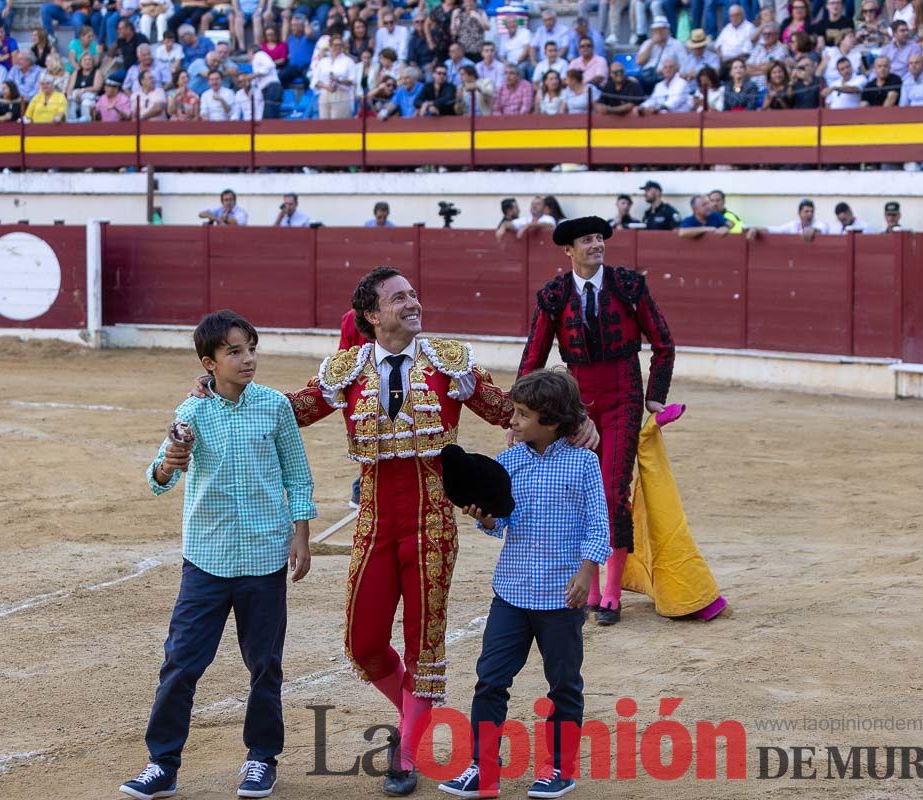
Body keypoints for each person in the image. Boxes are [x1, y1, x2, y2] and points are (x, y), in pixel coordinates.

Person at [268, 267, 524, 797]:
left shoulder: (450, 362)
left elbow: (508, 411)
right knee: (364, 642)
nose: (413, 302)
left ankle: (405, 755)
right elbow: (289, 412)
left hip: (432, 523)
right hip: (375, 521)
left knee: (423, 644)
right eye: (399, 297)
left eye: (413, 294)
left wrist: (573, 416)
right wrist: (223, 393)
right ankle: (427, 714)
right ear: (371, 314)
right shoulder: (347, 369)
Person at [119, 311, 314, 800]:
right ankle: (162, 764)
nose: (248, 359)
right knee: (181, 663)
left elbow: (297, 475)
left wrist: (302, 536)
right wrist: (167, 463)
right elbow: (158, 479)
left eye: (250, 348)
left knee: (265, 664)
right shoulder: (192, 413)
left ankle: (261, 758)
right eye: (235, 351)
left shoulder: (273, 406)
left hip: (265, 558)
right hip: (207, 558)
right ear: (210, 362)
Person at [437, 369, 610, 800]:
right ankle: (482, 766)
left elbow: (598, 525)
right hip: (511, 592)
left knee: (564, 684)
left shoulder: (585, 462)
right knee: (491, 679)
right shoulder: (510, 461)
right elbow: (502, 523)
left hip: (560, 595)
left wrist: (587, 574)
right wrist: (487, 519)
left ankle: (561, 770)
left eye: (521, 414)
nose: (511, 421)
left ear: (550, 420)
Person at [518, 217, 675, 626]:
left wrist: (655, 395)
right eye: (587, 240)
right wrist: (516, 413)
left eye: (599, 238)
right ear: (568, 250)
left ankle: (610, 591)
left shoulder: (627, 285)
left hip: (623, 395)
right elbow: (533, 356)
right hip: (577, 402)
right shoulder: (554, 295)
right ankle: (588, 587)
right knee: (582, 491)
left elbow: (663, 343)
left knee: (611, 492)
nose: (597, 245)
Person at [311, 34, 354, 119]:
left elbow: (352, 80)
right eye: (335, 45)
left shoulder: (348, 61)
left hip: (341, 95)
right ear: (330, 46)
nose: (337, 47)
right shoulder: (323, 61)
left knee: (338, 126)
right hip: (324, 95)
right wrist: (325, 87)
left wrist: (338, 81)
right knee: (324, 126)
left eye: (339, 45)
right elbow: (315, 80)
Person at [758, 198, 829, 240]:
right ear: (799, 213)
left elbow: (823, 230)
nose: (810, 214)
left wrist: (813, 230)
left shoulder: (819, 224)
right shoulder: (793, 225)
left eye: (812, 211)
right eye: (806, 211)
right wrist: (757, 230)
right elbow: (775, 230)